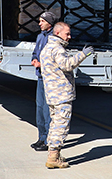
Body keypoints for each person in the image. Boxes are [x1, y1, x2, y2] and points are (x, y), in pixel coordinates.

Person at [40, 21, 94, 169]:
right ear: (57, 33)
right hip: (61, 94)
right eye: (67, 34)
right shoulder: (57, 49)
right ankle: (53, 157)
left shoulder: (47, 48)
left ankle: (54, 153)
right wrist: (83, 54)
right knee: (61, 126)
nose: (69, 37)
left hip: (52, 93)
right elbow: (67, 64)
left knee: (54, 124)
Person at [30, 11, 57, 152]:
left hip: (49, 78)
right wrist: (34, 59)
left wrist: (43, 64)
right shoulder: (40, 36)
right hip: (40, 77)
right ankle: (41, 137)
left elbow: (55, 58)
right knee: (39, 108)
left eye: (42, 21)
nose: (39, 23)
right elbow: (35, 52)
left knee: (47, 111)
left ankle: (48, 141)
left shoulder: (54, 38)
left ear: (49, 23)